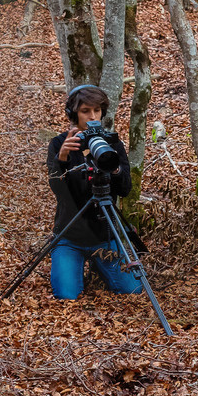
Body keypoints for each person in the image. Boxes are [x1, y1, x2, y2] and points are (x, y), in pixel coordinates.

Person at [45, 85, 143, 300]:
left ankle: (100, 267)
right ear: (73, 114)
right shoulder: (60, 143)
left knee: (133, 290)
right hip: (69, 236)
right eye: (85, 111)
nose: (93, 116)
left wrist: (114, 166)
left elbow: (125, 190)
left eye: (97, 111)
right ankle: (76, 264)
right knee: (66, 295)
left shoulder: (112, 144)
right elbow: (58, 191)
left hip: (105, 236)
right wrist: (61, 159)